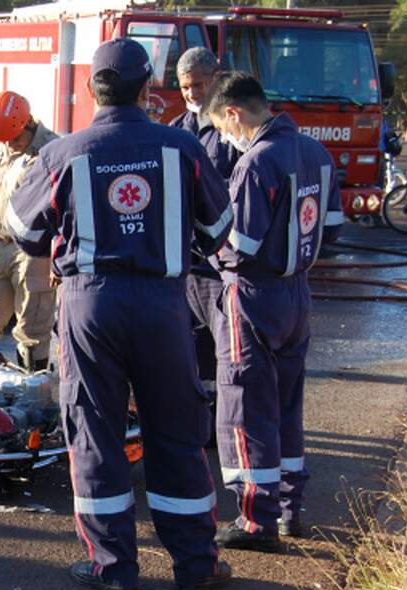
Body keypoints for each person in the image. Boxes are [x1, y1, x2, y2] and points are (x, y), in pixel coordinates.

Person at [6, 39, 235, 590]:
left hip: (90, 307)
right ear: (148, 89)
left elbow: (23, 231)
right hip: (163, 304)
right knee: (176, 432)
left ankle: (113, 568)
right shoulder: (181, 146)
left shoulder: (62, 154)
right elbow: (219, 228)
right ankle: (196, 565)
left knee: (95, 433)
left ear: (91, 91)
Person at [203, 72, 343, 550]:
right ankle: (289, 509)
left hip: (253, 296)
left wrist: (203, 253)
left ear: (234, 114)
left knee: (245, 406)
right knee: (286, 406)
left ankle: (254, 520)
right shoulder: (316, 154)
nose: (226, 139)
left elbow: (237, 246)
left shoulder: (257, 163)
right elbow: (335, 229)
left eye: (223, 129)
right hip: (297, 295)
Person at [0, 91, 58, 372]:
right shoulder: (0, 148)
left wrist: (58, 251)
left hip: (34, 251)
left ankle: (33, 393)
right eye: (5, 141)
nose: (11, 145)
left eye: (15, 139)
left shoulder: (52, 150)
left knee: (32, 331)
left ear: (27, 124)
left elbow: (65, 205)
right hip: (1, 246)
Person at [169, 47, 240, 413]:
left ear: (216, 78)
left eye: (199, 84)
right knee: (192, 348)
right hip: (185, 265)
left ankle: (226, 419)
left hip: (219, 265)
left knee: (227, 348)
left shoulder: (233, 129)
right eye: (185, 87)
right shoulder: (175, 131)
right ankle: (203, 415)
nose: (192, 93)